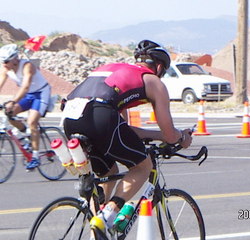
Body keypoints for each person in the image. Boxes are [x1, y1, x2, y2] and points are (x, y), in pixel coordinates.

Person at [62, 39, 192, 232]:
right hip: (100, 113)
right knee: (143, 166)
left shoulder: (116, 70)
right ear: (158, 67)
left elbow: (124, 129)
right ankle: (109, 213)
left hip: (70, 116)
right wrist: (181, 137)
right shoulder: (152, 81)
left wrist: (159, 136)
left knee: (108, 173)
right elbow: (170, 134)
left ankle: (96, 230)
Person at [0, 44, 51, 170]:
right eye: (2, 62)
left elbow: (25, 86)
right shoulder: (6, 69)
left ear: (14, 59)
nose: (4, 64)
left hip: (41, 93)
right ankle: (27, 134)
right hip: (28, 95)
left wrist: (13, 100)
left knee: (32, 121)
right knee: (9, 113)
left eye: (6, 61)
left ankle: (35, 157)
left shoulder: (27, 66)